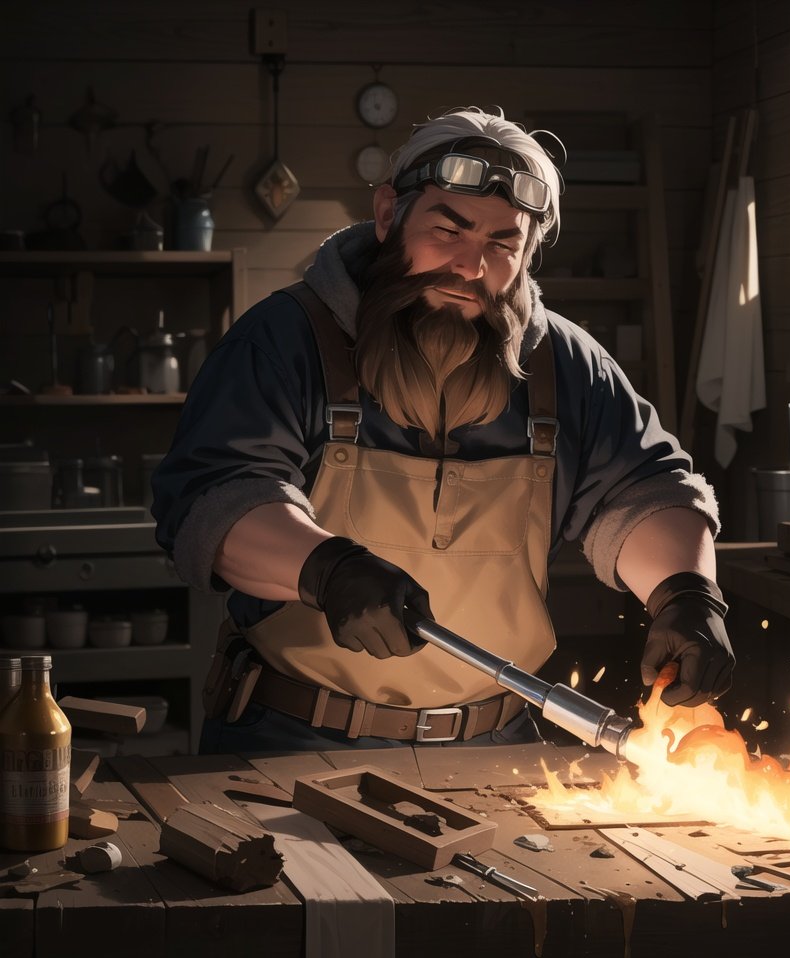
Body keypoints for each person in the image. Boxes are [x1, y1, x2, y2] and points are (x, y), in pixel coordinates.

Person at [152, 106, 735, 755]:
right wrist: (325, 568)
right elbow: (212, 503)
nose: (469, 265)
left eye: (502, 246)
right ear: (387, 216)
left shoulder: (564, 367)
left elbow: (643, 490)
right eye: (448, 230)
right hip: (290, 741)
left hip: (497, 749)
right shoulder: (283, 342)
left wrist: (686, 594)